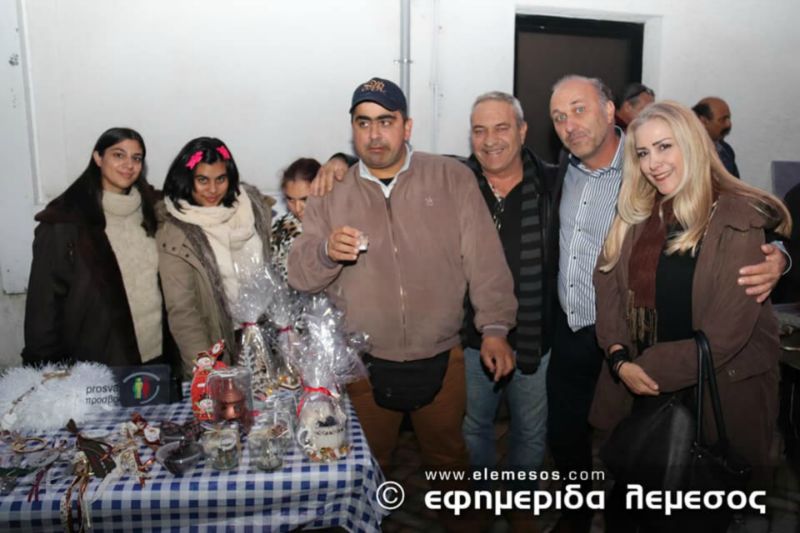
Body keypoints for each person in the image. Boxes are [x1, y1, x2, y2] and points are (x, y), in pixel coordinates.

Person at [546, 75, 785, 533]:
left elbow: (726, 335)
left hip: (712, 394)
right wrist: (618, 355)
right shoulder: (639, 212)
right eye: (643, 153)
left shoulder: (735, 217)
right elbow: (607, 284)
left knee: (695, 514)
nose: (653, 163)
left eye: (664, 147)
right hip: (642, 393)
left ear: (692, 144)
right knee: (630, 510)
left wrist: (639, 367)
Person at [287, 78, 516, 519]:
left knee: (449, 463)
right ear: (352, 129)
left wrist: (494, 327)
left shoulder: (451, 178)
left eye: (386, 121)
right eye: (363, 123)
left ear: (407, 127)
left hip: (441, 355)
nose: (375, 134)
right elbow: (299, 275)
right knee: (369, 467)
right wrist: (325, 252)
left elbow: (485, 259)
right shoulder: (330, 192)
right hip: (362, 364)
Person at [22, 126, 177, 371]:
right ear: (98, 157)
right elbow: (44, 305)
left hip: (157, 357)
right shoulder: (66, 221)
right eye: (118, 155)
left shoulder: (155, 210)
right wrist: (45, 368)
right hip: (98, 365)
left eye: (136, 158)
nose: (129, 165)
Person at [157, 137, 274, 376]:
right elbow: (184, 312)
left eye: (220, 179)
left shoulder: (253, 207)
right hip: (217, 349)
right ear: (186, 179)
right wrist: (208, 372)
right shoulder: (176, 232)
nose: (212, 190)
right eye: (202, 180)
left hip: (267, 341)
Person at [270, 157, 320, 281]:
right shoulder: (280, 228)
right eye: (290, 199)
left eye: (305, 199)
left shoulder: (335, 225)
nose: (297, 208)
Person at [692, 97, 739, 178]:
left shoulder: (726, 150)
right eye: (722, 119)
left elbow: (735, 182)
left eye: (728, 118)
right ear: (703, 121)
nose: (728, 124)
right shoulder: (687, 153)